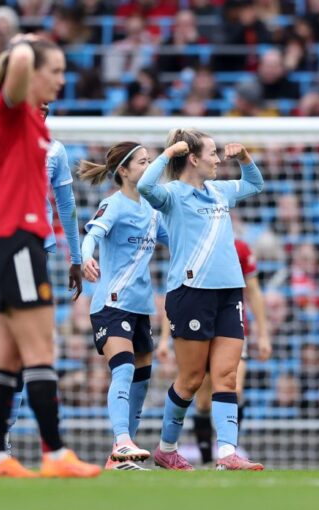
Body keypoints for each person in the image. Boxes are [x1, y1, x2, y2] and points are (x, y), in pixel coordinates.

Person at [0, 35, 99, 478]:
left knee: (5, 356)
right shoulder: (8, 111)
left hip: (1, 245)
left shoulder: (32, 122)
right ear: (30, 73)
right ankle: (55, 452)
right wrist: (25, 46)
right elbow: (21, 56)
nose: (62, 81)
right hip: (16, 242)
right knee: (40, 348)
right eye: (57, 71)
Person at [0, 104, 83, 469]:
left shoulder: (55, 150)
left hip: (30, 253)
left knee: (22, 350)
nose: (42, 110)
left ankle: (0, 440)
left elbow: (67, 206)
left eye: (47, 107)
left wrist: (76, 255)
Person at [137, 128, 265, 471]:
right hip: (190, 294)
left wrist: (246, 159)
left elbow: (255, 185)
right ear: (192, 158)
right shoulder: (172, 195)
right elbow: (144, 187)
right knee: (192, 379)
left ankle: (227, 453)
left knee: (227, 376)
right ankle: (166, 447)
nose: (218, 159)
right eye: (212, 153)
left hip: (229, 293)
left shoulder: (220, 191)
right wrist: (166, 154)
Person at [79, 142, 170, 471]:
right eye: (144, 162)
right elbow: (92, 235)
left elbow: (174, 238)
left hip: (141, 306)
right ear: (125, 171)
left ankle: (121, 454)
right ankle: (121, 441)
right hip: (111, 303)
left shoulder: (153, 209)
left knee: (142, 380)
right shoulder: (113, 205)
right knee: (124, 368)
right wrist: (86, 256)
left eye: (151, 161)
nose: (150, 167)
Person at [158, 238, 272, 465]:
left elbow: (254, 292)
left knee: (233, 385)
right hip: (199, 325)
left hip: (232, 329)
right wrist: (163, 340)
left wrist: (263, 333)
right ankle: (204, 457)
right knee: (200, 398)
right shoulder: (192, 246)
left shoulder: (239, 248)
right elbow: (174, 291)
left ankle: (229, 451)